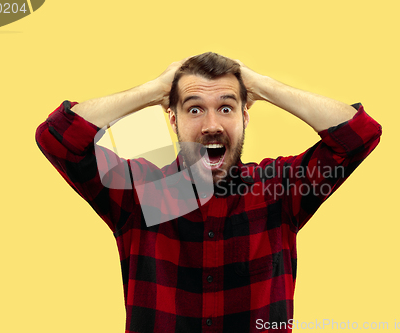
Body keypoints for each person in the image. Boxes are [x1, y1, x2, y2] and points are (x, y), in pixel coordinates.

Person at [35, 52, 382, 333]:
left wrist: (260, 84)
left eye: (227, 108)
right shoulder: (139, 193)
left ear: (246, 117)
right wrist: (154, 89)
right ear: (173, 120)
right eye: (195, 108)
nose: (212, 125)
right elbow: (57, 138)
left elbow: (358, 136)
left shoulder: (278, 190)